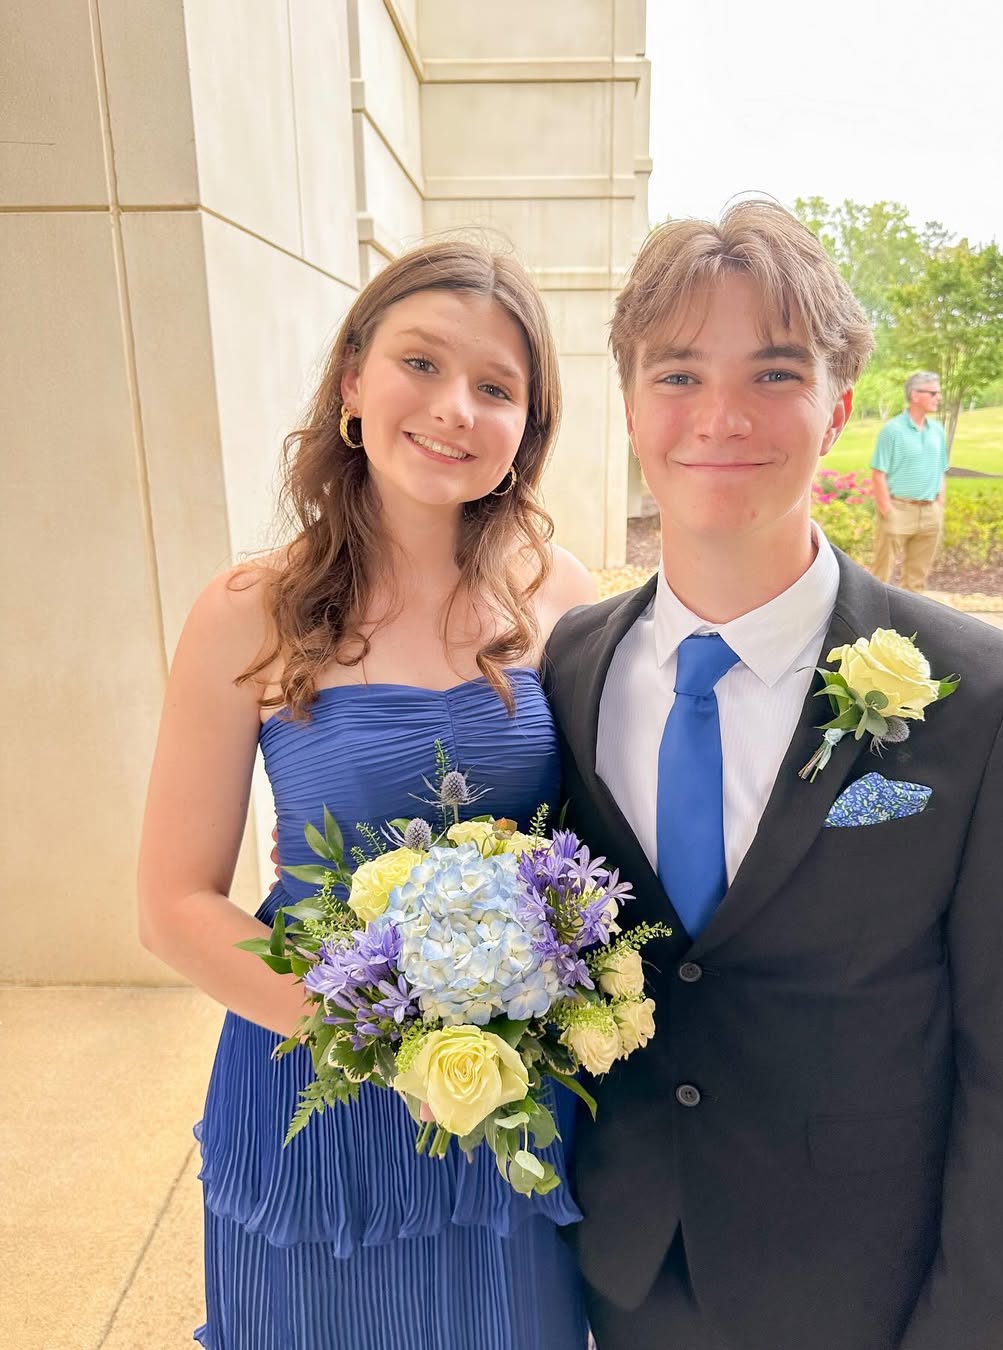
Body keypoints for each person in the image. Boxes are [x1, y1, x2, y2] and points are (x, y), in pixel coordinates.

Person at [544, 204, 1003, 1350]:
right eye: (679, 374)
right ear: (629, 406)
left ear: (838, 407)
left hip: (860, 1296)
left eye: (774, 373)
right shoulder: (572, 669)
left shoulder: (987, 700)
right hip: (621, 1277)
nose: (721, 415)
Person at [137, 241, 596, 1350]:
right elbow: (172, 904)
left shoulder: (561, 599)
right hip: (312, 1080)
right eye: (421, 364)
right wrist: (384, 1047)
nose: (454, 409)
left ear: (527, 429)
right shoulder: (248, 610)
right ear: (352, 380)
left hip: (507, 1101)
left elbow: (599, 857)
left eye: (496, 388)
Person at [869, 371, 948, 591]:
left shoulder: (937, 431)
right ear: (915, 395)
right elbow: (878, 474)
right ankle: (873, 614)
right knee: (881, 577)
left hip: (930, 513)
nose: (938, 397)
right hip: (898, 509)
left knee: (917, 581)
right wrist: (887, 511)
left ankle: (911, 615)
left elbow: (941, 470)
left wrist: (939, 507)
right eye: (933, 393)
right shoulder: (892, 431)